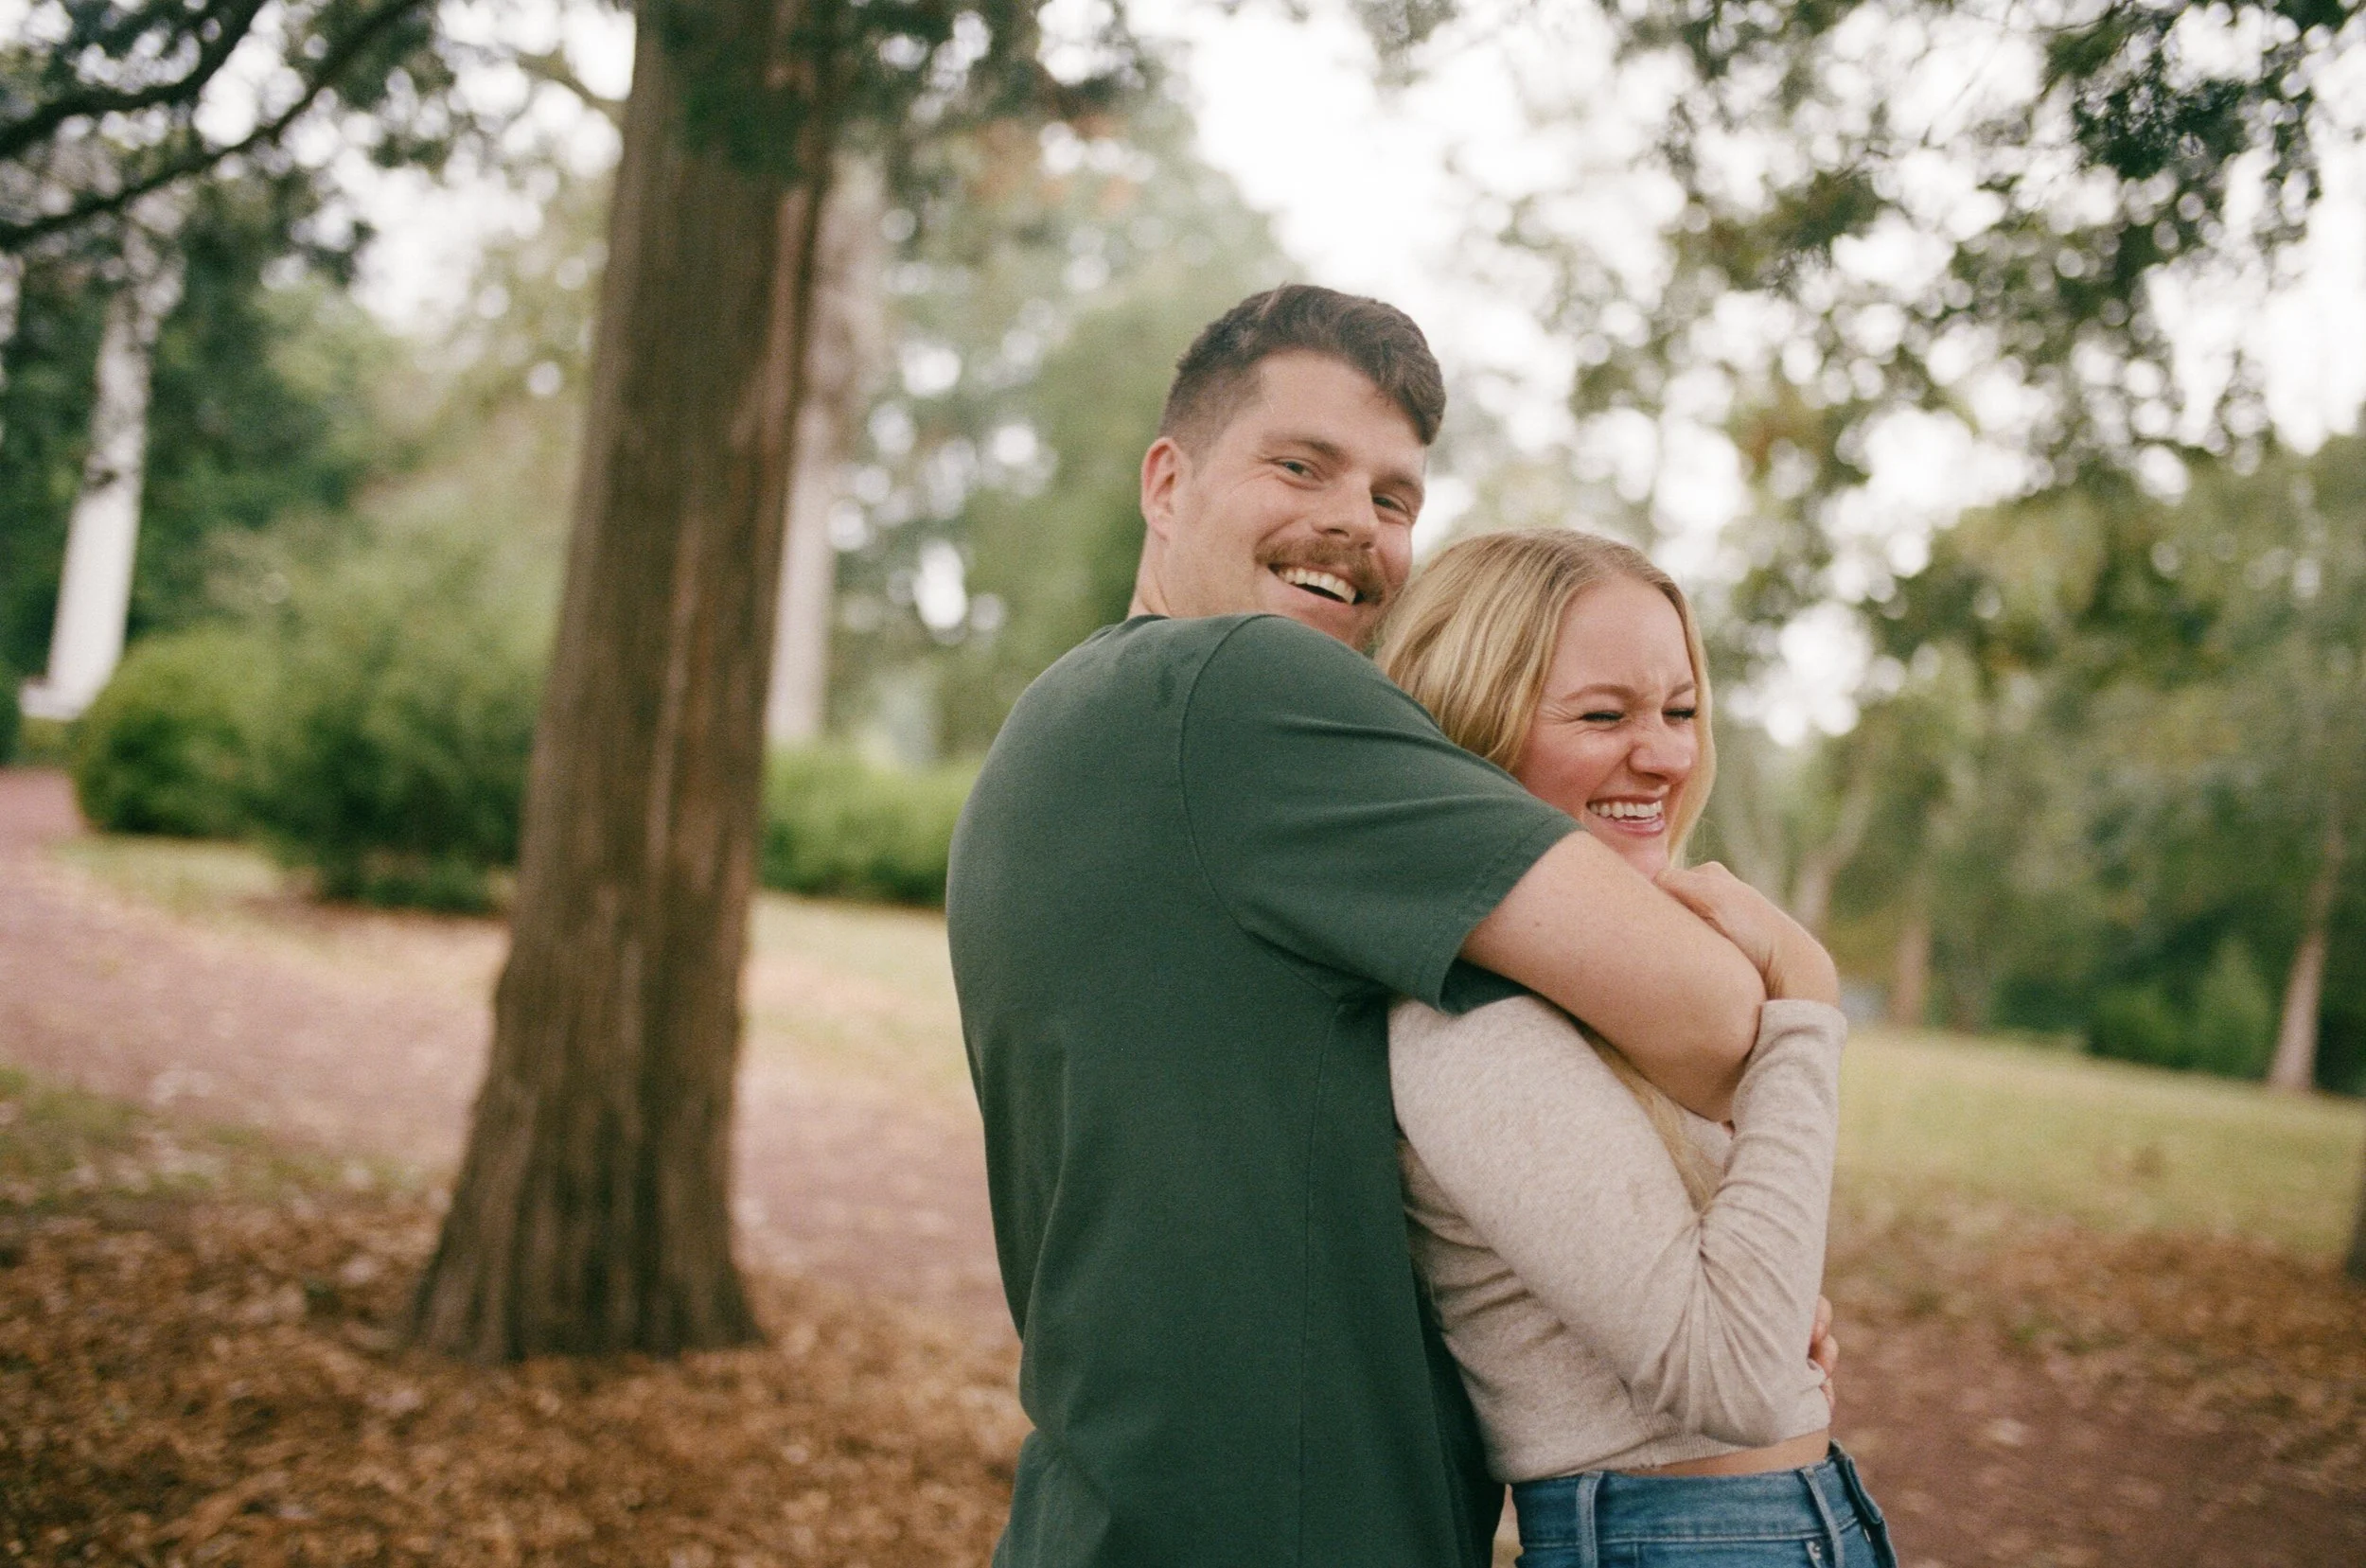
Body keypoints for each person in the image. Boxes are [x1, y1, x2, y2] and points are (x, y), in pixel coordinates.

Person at [946, 285, 1781, 1567]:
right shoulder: (1243, 685)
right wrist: (1799, 983)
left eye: (1396, 499)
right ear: (1166, 483)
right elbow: (1718, 1018)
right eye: (1302, 466)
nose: (1354, 523)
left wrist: (1691, 1278)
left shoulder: (1064, 725)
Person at [1375, 527, 1896, 1567]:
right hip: (1684, 1540)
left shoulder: (1597, 995)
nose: (1661, 754)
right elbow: (1739, 1380)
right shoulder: (1469, 1017)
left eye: (1681, 711)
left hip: (1759, 1526)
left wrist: (1768, 1284)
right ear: (1473, 727)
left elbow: (1731, 1328)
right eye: (1602, 715)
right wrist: (1804, 1007)